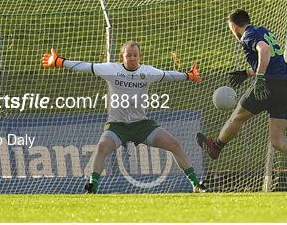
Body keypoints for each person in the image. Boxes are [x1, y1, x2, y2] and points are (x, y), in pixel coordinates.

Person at [42, 41, 207, 193]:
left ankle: (195, 184)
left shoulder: (147, 72)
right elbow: (85, 66)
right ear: (122, 56)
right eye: (129, 55)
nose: (132, 58)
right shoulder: (111, 70)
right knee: (102, 147)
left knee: (174, 144)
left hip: (142, 125)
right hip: (117, 125)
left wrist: (189, 75)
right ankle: (92, 186)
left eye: (135, 55)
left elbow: (169, 75)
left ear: (140, 56)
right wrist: (59, 61)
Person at [196, 9, 287, 190]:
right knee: (277, 139)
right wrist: (247, 73)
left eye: (231, 29)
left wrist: (258, 79)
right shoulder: (264, 31)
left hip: (268, 84)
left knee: (237, 117)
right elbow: (272, 59)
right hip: (286, 87)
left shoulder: (248, 36)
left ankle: (216, 147)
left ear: (234, 26)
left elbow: (264, 50)